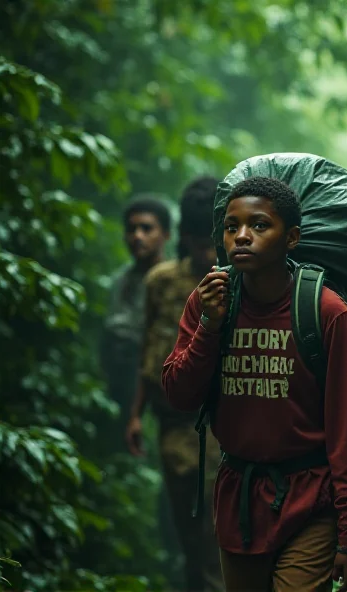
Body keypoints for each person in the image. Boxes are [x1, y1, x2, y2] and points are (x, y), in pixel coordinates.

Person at [161, 176, 347, 592]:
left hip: (311, 498)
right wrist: (209, 325)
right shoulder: (209, 300)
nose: (242, 236)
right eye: (231, 226)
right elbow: (179, 394)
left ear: (291, 237)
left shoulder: (327, 313)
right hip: (239, 499)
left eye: (260, 226)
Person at [125, 176, 223, 591]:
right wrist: (135, 413)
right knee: (188, 538)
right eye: (198, 242)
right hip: (172, 425)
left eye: (211, 242)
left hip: (223, 428)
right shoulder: (161, 283)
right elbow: (149, 350)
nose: (206, 252)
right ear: (184, 237)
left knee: (218, 541)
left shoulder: (237, 283)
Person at [102, 195, 171, 447]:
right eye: (132, 229)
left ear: (165, 234)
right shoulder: (120, 281)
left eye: (147, 228)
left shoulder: (173, 282)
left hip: (158, 387)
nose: (137, 236)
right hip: (120, 380)